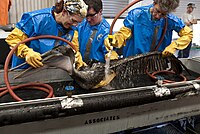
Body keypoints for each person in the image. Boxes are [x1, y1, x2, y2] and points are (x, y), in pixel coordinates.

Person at [5, 0, 88, 69]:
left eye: (78, 22)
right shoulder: (35, 20)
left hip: (50, 73)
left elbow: (73, 49)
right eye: (73, 20)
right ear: (64, 12)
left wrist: (77, 58)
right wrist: (26, 53)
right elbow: (13, 38)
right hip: (23, 72)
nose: (75, 25)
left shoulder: (72, 29)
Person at [105, 0, 193, 58]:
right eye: (157, 11)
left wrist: (174, 45)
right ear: (154, 3)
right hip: (132, 60)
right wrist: (116, 39)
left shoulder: (170, 20)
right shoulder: (137, 15)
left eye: (163, 14)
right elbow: (124, 32)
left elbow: (188, 34)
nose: (158, 16)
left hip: (156, 63)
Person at [73, 0, 118, 70]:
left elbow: (110, 55)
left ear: (100, 11)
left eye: (91, 15)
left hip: (96, 72)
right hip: (80, 68)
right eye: (86, 15)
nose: (88, 19)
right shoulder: (82, 24)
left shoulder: (106, 32)